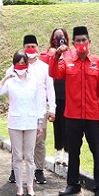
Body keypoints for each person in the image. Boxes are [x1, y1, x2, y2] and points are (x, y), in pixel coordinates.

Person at [50, 26, 99, 196]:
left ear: (89, 42)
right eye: (78, 41)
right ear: (74, 43)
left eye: (84, 40)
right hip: (73, 116)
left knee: (97, 152)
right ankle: (73, 184)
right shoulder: (67, 61)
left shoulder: (97, 62)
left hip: (92, 116)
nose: (81, 43)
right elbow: (54, 73)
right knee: (73, 151)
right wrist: (56, 56)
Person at [0, 50, 44, 196]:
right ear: (14, 64)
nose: (21, 66)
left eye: (23, 63)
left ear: (27, 65)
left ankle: (30, 186)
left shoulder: (33, 80)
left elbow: (38, 103)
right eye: (18, 63)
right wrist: (5, 78)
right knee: (17, 156)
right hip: (15, 122)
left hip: (30, 122)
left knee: (29, 156)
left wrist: (40, 122)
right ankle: (19, 187)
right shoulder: (10, 81)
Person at [6, 35, 55, 185]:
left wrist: (52, 109)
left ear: (38, 48)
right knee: (18, 143)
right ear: (23, 48)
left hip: (39, 110)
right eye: (27, 47)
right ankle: (15, 170)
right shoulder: (13, 69)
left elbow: (50, 90)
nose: (30, 49)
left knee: (39, 142)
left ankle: (38, 171)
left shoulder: (45, 68)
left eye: (33, 46)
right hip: (20, 111)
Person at [40, 28, 69, 166]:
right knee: (58, 125)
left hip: (69, 94)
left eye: (62, 36)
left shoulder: (71, 53)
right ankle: (58, 151)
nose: (59, 39)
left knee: (68, 125)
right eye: (57, 36)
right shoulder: (46, 53)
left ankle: (68, 153)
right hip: (54, 94)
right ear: (52, 38)